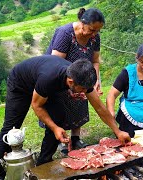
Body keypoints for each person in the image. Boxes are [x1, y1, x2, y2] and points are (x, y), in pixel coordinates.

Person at [0, 55, 130, 180]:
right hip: (21, 83)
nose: (83, 93)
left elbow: (99, 107)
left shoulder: (80, 76)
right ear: (70, 82)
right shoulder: (49, 78)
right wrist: (55, 128)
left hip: (42, 82)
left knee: (59, 117)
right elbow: (37, 105)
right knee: (11, 128)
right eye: (81, 89)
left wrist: (117, 132)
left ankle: (42, 165)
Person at [43, 8, 104, 153]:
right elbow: (55, 63)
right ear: (82, 23)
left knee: (79, 103)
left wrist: (95, 80)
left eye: (97, 31)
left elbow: (95, 60)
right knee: (60, 107)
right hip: (62, 77)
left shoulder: (95, 37)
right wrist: (70, 83)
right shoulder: (65, 33)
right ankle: (61, 141)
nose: (94, 34)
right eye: (92, 29)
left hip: (82, 76)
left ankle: (76, 139)